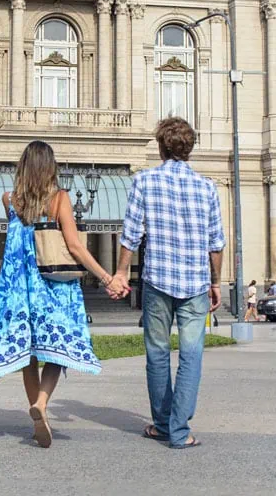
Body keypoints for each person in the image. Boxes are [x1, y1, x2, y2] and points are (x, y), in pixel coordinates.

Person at [0, 140, 127, 449]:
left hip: (18, 289)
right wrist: (108, 278)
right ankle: (41, 403)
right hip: (52, 286)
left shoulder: (9, 200)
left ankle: (36, 417)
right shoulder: (59, 200)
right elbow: (75, 246)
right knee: (58, 345)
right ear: (50, 167)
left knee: (29, 354)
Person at [111, 117, 225, 450]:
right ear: (189, 150)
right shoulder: (207, 187)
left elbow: (131, 235)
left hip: (158, 282)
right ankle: (178, 429)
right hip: (195, 284)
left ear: (160, 147)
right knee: (192, 356)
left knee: (157, 355)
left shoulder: (144, 181)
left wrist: (120, 273)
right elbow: (215, 243)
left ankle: (164, 424)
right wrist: (215, 282)